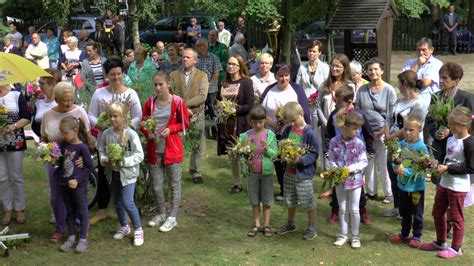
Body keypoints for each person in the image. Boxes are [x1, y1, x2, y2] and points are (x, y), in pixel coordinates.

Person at [88, 58, 142, 225]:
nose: (116, 77)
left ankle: (129, 209)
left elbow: (139, 115)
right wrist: (103, 125)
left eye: (119, 74)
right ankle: (102, 209)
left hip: (125, 140)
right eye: (112, 75)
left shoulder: (130, 93)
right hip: (105, 139)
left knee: (126, 173)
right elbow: (90, 114)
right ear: (107, 75)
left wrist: (127, 128)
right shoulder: (100, 93)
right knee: (105, 175)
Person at [420, 106, 474, 259]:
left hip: (458, 186)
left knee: (456, 218)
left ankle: (456, 248)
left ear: (463, 125)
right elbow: (446, 158)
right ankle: (440, 242)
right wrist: (434, 164)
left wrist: (448, 169)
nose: (449, 127)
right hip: (445, 183)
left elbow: (470, 167)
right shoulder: (451, 138)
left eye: (452, 124)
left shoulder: (469, 143)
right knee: (437, 212)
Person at [41, 82, 90, 241]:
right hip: (55, 162)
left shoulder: (79, 111)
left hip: (75, 163)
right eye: (65, 100)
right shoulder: (48, 115)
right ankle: (60, 228)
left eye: (71, 99)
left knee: (77, 196)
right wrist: (45, 151)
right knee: (56, 196)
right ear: (56, 99)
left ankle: (78, 226)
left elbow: (86, 137)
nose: (69, 103)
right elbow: (44, 138)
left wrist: (83, 157)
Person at [142, 72, 189, 232]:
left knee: (175, 183)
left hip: (172, 149)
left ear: (168, 84)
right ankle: (161, 213)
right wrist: (146, 132)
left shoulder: (178, 102)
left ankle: (172, 217)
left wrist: (171, 129)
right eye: (155, 85)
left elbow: (184, 125)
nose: (157, 88)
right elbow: (144, 121)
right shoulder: (150, 102)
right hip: (154, 149)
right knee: (156, 185)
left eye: (161, 84)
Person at [324, 86, 375, 225]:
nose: (335, 104)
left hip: (356, 156)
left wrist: (370, 151)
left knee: (358, 184)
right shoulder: (334, 115)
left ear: (349, 101)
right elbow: (328, 134)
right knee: (337, 182)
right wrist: (327, 151)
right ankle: (335, 210)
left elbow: (368, 134)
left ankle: (362, 210)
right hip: (339, 153)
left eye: (338, 101)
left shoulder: (359, 115)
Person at [260, 65, 310, 201]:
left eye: (286, 75)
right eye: (281, 76)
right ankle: (284, 190)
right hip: (273, 131)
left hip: (293, 131)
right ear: (275, 76)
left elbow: (304, 112)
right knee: (278, 160)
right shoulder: (270, 90)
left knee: (292, 160)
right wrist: (272, 123)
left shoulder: (297, 90)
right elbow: (262, 110)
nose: (284, 78)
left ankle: (297, 191)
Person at [384, 70, 429, 218]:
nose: (397, 86)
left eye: (399, 83)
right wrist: (386, 134)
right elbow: (389, 118)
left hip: (409, 145)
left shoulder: (419, 103)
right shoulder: (399, 100)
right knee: (394, 174)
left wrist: (391, 137)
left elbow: (410, 128)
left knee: (407, 175)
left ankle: (409, 210)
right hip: (393, 143)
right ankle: (397, 207)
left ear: (404, 84)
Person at [98, 102, 144, 247]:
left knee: (127, 202)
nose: (112, 119)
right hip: (113, 174)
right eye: (110, 116)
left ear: (124, 117)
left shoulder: (131, 135)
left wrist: (124, 161)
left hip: (128, 175)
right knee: (117, 200)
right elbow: (101, 150)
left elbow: (139, 155)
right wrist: (104, 159)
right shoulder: (107, 134)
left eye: (115, 116)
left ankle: (138, 229)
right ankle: (125, 226)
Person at [275, 101, 319, 241]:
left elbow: (314, 153)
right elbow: (281, 145)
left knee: (307, 201)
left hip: (303, 175)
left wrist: (300, 160)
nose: (293, 123)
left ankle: (312, 227)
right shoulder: (288, 130)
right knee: (290, 199)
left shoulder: (309, 133)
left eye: (294, 120)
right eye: (290, 121)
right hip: (289, 172)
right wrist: (282, 153)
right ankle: (290, 223)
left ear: (302, 114)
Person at [425, 62, 474, 177]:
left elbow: (471, 124)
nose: (440, 81)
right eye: (440, 77)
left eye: (445, 78)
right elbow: (429, 119)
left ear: (455, 81)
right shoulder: (435, 97)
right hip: (440, 150)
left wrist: (451, 131)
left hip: (459, 153)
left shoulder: (467, 98)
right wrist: (435, 132)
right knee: (440, 186)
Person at [328, 111, 368, 248]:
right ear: (344, 127)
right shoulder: (334, 142)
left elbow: (364, 162)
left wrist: (349, 169)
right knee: (343, 208)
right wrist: (336, 169)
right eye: (355, 128)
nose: (357, 131)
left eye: (359, 128)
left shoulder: (359, 143)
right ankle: (343, 234)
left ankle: (355, 237)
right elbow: (331, 158)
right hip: (340, 181)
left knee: (354, 209)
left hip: (355, 180)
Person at [316, 54, 353, 198]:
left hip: (343, 126)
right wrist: (325, 121)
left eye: (338, 66)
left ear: (344, 68)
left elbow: (351, 106)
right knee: (330, 156)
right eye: (333, 65)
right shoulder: (324, 85)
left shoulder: (349, 85)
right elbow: (318, 105)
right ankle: (331, 187)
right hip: (327, 125)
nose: (335, 68)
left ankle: (346, 185)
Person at [389, 115, 428, 249]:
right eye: (405, 129)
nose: (407, 132)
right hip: (402, 186)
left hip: (416, 187)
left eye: (411, 130)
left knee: (417, 213)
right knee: (404, 212)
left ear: (419, 130)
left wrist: (405, 171)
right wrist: (396, 169)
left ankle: (417, 236)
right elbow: (394, 160)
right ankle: (404, 234)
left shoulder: (421, 147)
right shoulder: (400, 144)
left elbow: (422, 169)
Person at [217, 55, 254, 194]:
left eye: (234, 64)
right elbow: (217, 100)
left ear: (240, 66)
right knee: (232, 155)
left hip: (241, 123)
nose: (230, 66)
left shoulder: (246, 82)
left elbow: (249, 104)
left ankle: (252, 181)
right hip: (226, 125)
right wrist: (220, 107)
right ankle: (237, 183)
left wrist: (234, 110)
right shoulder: (224, 82)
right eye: (229, 64)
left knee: (245, 154)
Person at [170, 48, 208, 184]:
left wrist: (184, 105)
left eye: (188, 57)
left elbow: (202, 96)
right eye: (183, 57)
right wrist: (181, 108)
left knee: (196, 143)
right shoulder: (173, 75)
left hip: (196, 114)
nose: (185, 59)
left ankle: (196, 171)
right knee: (176, 143)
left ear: (195, 61)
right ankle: (176, 171)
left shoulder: (202, 76)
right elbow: (170, 94)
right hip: (177, 115)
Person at [240, 105, 277, 237]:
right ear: (250, 121)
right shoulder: (246, 136)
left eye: (260, 122)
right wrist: (244, 155)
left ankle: (266, 224)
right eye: (254, 122)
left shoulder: (270, 135)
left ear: (265, 121)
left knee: (267, 200)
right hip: (252, 172)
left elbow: (275, 155)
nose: (257, 125)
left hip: (266, 172)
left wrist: (267, 149)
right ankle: (257, 224)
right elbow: (240, 152)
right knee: (254, 200)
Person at [58, 116, 93, 253]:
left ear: (75, 130)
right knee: (69, 211)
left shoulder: (82, 147)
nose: (63, 135)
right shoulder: (64, 145)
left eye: (65, 133)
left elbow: (89, 168)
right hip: (64, 184)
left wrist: (77, 180)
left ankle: (83, 239)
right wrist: (50, 157)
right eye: (62, 133)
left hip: (78, 186)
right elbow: (61, 163)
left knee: (82, 211)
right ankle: (71, 237)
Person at [0, 84, 31, 226]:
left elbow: (27, 117)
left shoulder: (16, 95)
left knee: (16, 176)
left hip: (15, 141)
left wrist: (13, 126)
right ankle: (8, 208)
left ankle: (19, 208)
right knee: (2, 178)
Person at [401, 38, 443, 106]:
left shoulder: (437, 64)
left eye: (424, 50)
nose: (421, 53)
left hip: (429, 101)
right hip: (410, 98)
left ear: (431, 50)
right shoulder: (410, 62)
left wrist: (410, 82)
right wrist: (417, 64)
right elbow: (402, 79)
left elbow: (426, 82)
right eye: (419, 50)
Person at [195, 38, 222, 119]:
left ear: (205, 46)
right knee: (199, 109)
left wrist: (210, 84)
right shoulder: (194, 59)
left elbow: (216, 73)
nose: (196, 47)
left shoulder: (214, 57)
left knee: (212, 108)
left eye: (198, 45)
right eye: (196, 45)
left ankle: (216, 128)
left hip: (211, 89)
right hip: (197, 89)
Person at [33, 69, 62, 138]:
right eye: (39, 82)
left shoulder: (63, 102)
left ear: (53, 84)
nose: (39, 85)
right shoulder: (39, 102)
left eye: (42, 83)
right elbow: (34, 126)